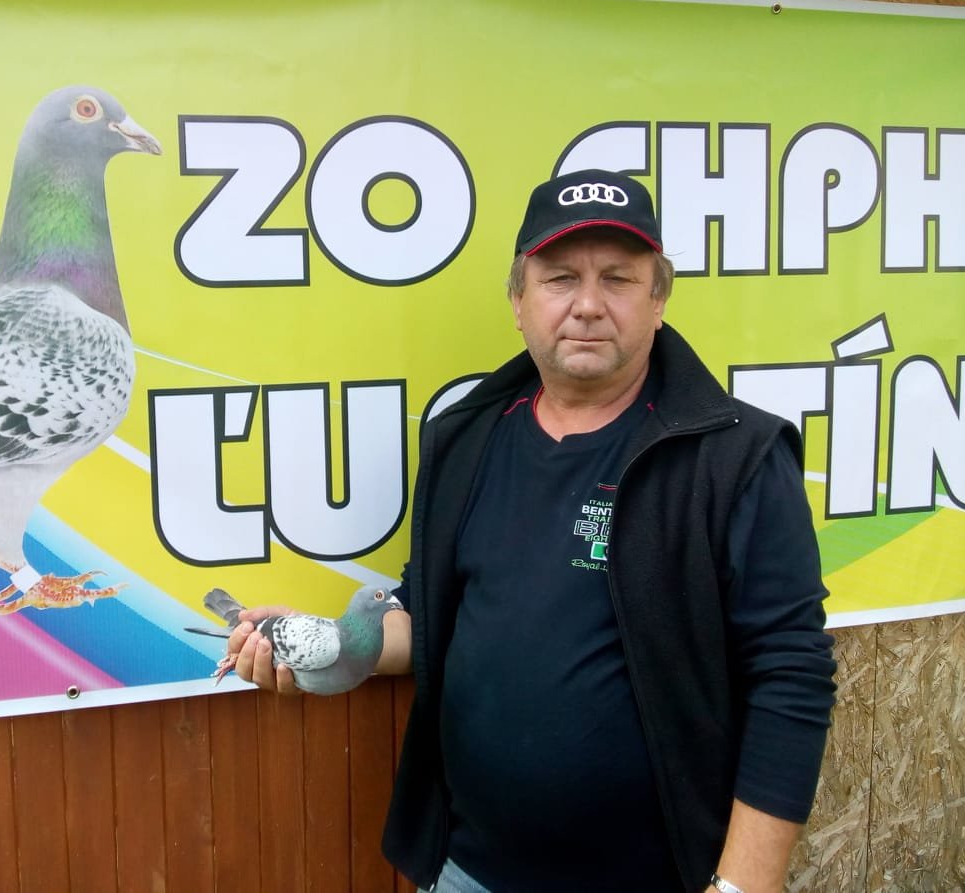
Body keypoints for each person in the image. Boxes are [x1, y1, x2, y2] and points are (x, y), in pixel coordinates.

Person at [226, 169, 837, 893]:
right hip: (465, 871)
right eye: (559, 278)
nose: (588, 304)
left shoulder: (736, 457)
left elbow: (790, 674)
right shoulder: (464, 438)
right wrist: (337, 645)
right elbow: (428, 613)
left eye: (618, 278)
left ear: (658, 298)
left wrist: (742, 885)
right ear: (519, 300)